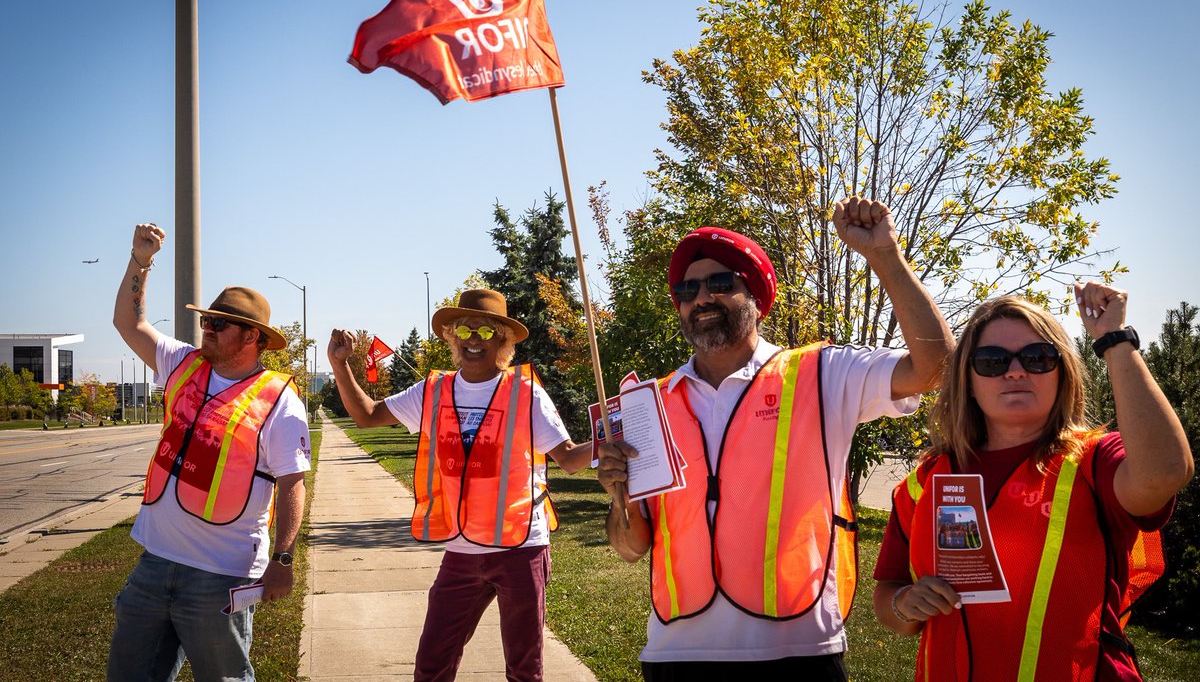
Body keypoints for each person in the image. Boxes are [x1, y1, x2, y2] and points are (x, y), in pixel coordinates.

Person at [596, 197, 954, 681]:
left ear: (757, 298)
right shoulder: (647, 404)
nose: (702, 298)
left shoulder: (823, 372)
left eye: (721, 283)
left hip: (798, 650)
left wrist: (885, 255)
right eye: (687, 289)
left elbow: (936, 368)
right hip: (675, 656)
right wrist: (618, 497)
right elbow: (630, 548)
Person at [873, 283, 1194, 681]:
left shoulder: (1095, 462)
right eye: (991, 361)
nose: (1015, 370)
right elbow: (889, 595)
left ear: (1063, 375)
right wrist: (905, 604)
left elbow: (1165, 471)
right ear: (968, 380)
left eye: (1038, 357)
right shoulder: (926, 480)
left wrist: (1115, 340)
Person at [327, 288, 592, 682]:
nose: (472, 339)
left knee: (525, 668)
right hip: (462, 549)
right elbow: (366, 416)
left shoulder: (525, 393)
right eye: (465, 329)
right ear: (451, 335)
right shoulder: (433, 391)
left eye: (486, 332)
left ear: (502, 341)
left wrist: (613, 441)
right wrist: (339, 365)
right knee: (432, 663)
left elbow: (568, 458)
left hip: (520, 548)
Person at [109, 223, 311, 682]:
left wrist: (283, 561)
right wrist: (141, 261)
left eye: (219, 324)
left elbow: (292, 481)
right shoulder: (181, 363)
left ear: (252, 337)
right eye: (206, 321)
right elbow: (129, 323)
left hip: (222, 575)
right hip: (154, 562)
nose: (207, 330)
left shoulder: (278, 399)